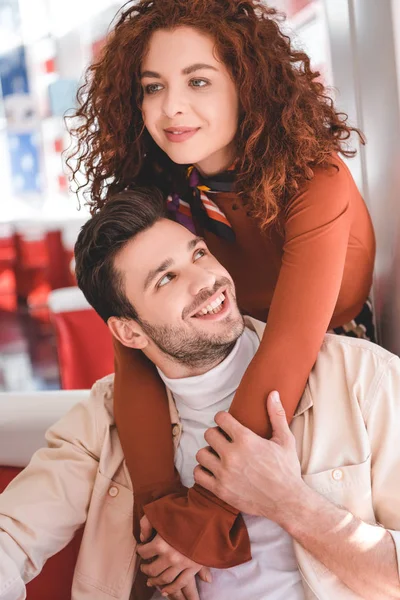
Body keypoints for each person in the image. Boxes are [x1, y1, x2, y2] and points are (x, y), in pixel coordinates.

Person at [66, 0, 376, 592]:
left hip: (324, 370)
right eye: (152, 87)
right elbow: (133, 354)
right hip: (214, 360)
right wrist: (160, 511)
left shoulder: (316, 178)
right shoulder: (160, 188)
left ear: (248, 86)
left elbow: (288, 347)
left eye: (199, 81)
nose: (170, 108)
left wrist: (204, 516)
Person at [0, 190, 397, 600]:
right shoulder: (103, 419)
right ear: (129, 332)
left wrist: (289, 503)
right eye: (166, 278)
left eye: (200, 254)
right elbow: (13, 536)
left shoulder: (362, 378)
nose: (206, 280)